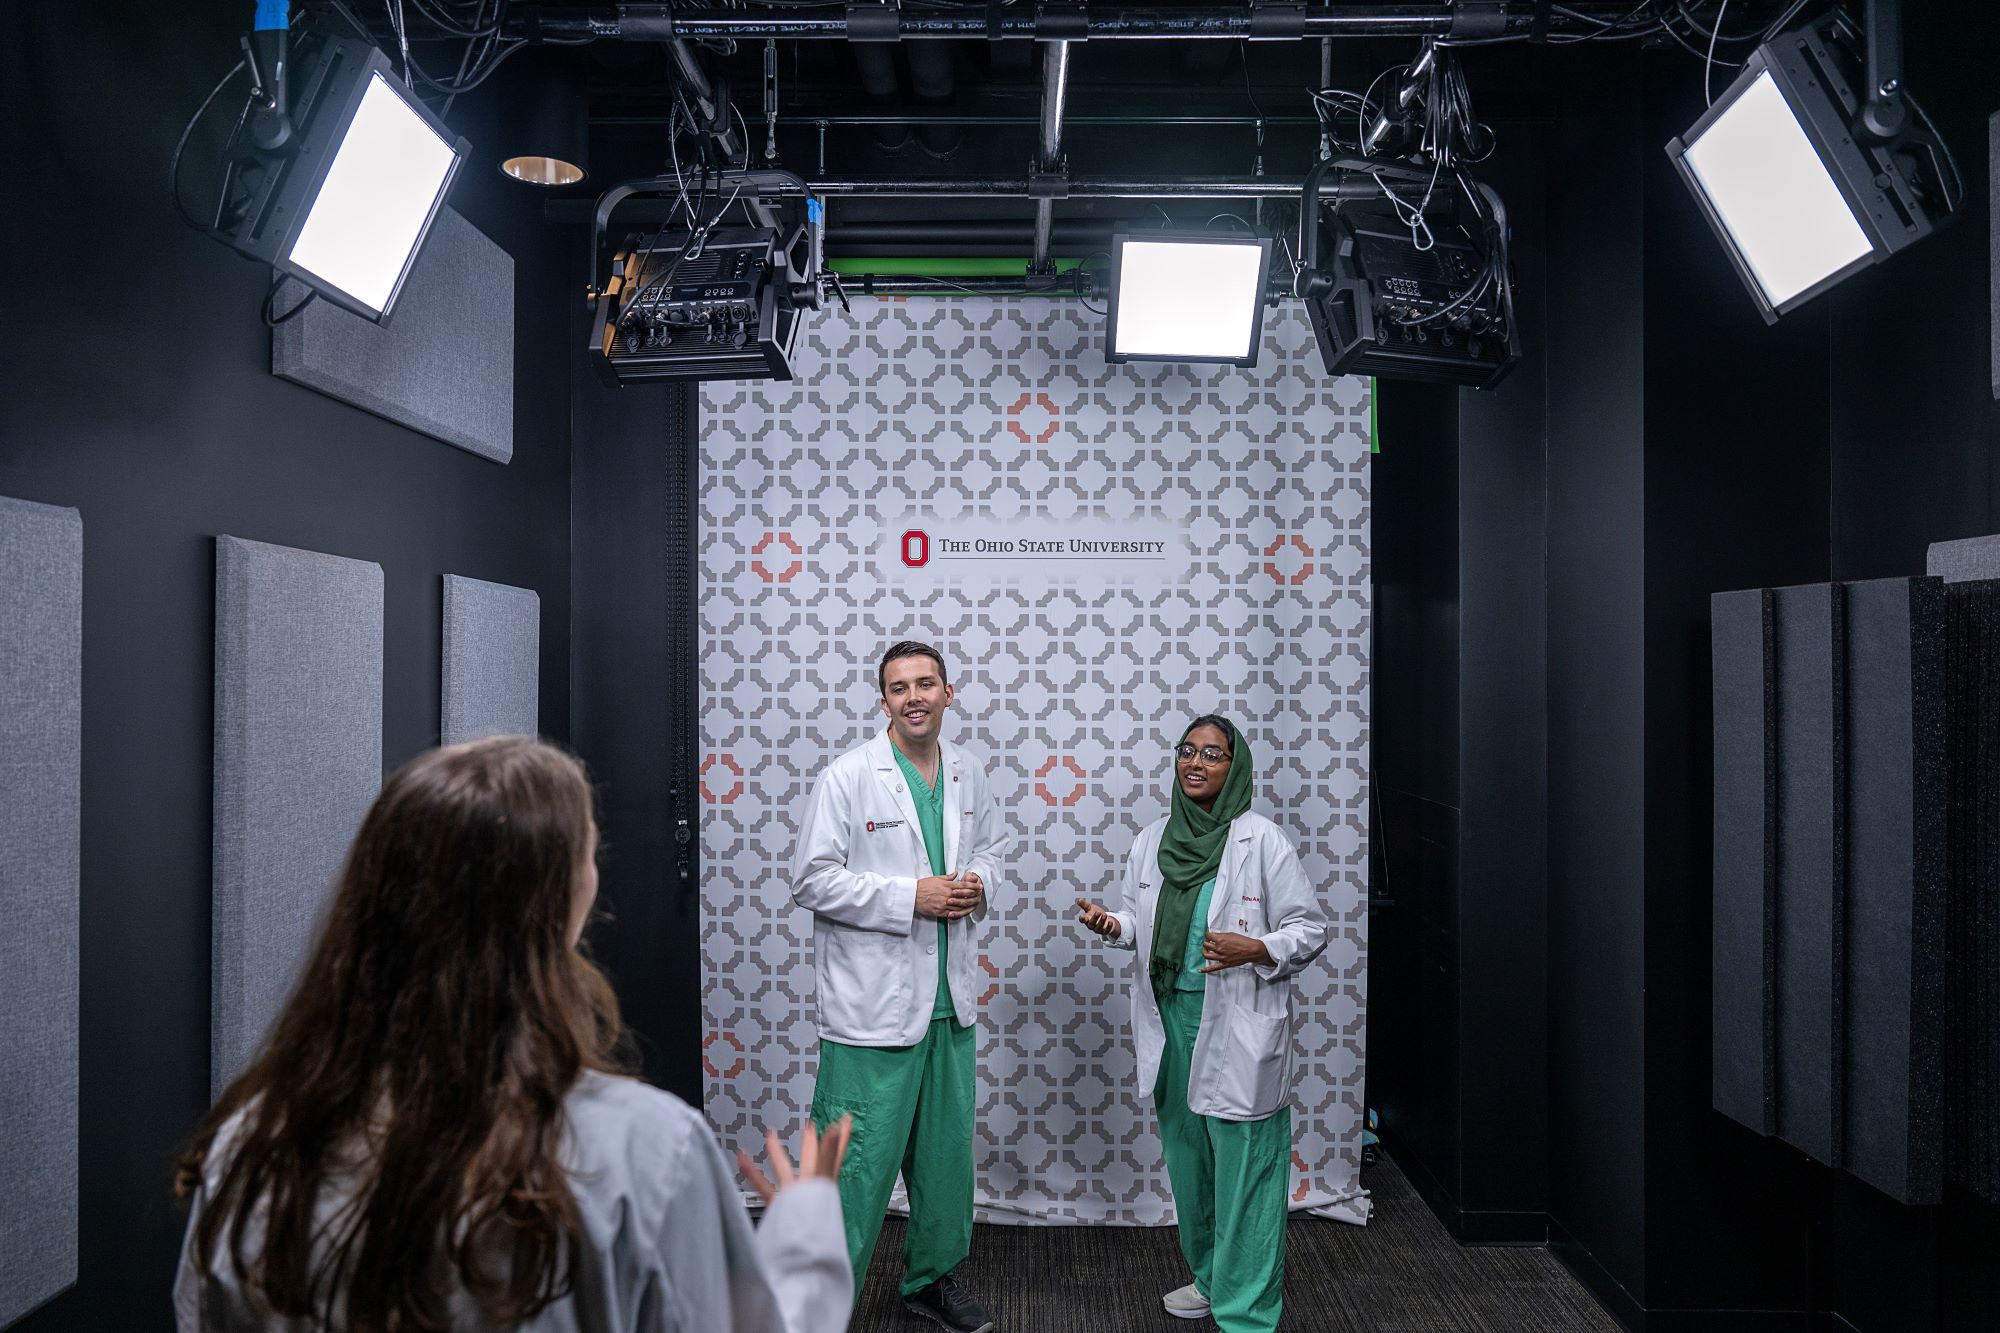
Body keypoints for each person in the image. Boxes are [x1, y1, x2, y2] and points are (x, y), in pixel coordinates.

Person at [172, 735, 853, 1333]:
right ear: (565, 898)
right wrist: (805, 1231)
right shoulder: (650, 1152)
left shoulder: (251, 1146)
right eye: (591, 851)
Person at [1075, 714, 1329, 1333]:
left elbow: (1310, 929)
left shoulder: (1260, 839)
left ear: (1234, 767)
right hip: (1170, 1018)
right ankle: (1211, 1279)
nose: (1196, 763)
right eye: (1188, 751)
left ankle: (1247, 1312)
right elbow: (1143, 920)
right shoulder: (1154, 838)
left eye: (1212, 755)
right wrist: (1115, 926)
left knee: (1245, 1169)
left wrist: (1258, 949)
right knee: (1191, 1164)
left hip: (1237, 1024)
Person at [789, 641, 1009, 1333]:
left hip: (949, 1003)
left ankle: (932, 1278)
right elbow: (811, 879)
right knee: (853, 1167)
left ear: (950, 692)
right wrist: (907, 895)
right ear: (882, 701)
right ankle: (816, 1303)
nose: (914, 696)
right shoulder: (849, 776)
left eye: (926, 683)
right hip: (871, 1009)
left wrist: (979, 884)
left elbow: (992, 851)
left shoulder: (969, 772)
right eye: (898, 687)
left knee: (945, 1163)